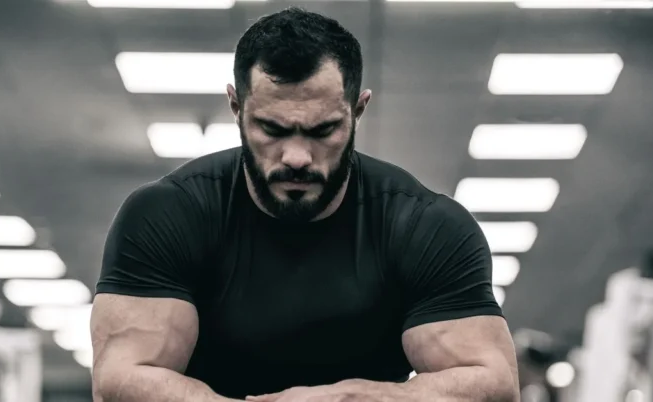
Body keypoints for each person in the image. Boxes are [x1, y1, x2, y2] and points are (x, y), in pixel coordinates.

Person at [91, 7, 519, 402]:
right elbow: (122, 381)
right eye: (272, 129)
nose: (297, 156)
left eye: (323, 130)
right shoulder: (168, 215)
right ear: (236, 107)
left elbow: (492, 384)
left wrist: (350, 398)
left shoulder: (423, 226)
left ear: (358, 109)